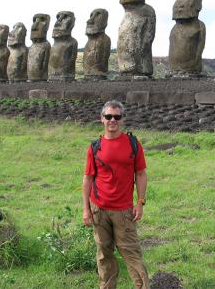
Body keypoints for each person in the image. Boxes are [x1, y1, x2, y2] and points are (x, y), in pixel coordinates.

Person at [82, 100, 149, 289]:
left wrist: (140, 202)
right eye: (108, 116)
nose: (113, 120)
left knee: (131, 253)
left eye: (117, 117)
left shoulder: (133, 144)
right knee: (104, 254)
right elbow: (87, 179)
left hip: (124, 211)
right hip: (99, 209)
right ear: (101, 119)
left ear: (122, 119)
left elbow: (141, 174)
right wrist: (86, 209)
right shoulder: (95, 147)